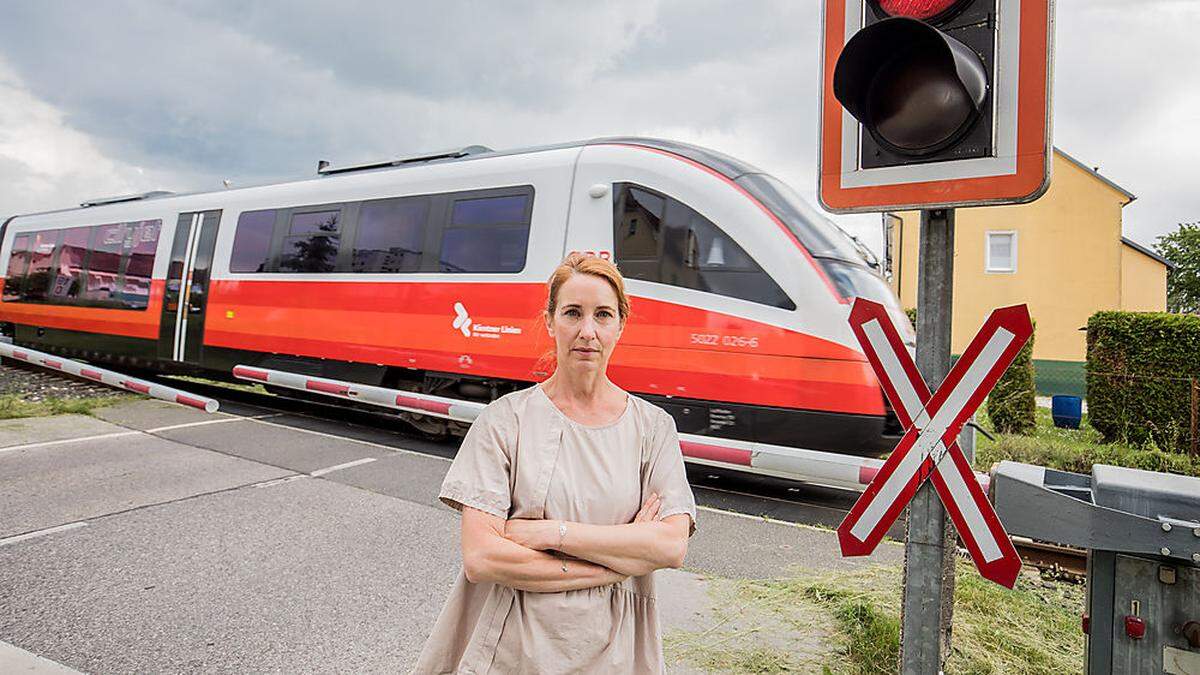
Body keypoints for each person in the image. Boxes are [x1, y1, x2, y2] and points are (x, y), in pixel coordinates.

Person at [413, 252, 698, 674]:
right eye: (572, 313)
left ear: (621, 325)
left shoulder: (653, 428)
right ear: (550, 322)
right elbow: (483, 559)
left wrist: (551, 533)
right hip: (512, 650)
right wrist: (620, 558)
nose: (587, 331)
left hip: (614, 651)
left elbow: (670, 547)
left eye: (602, 314)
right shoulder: (505, 420)